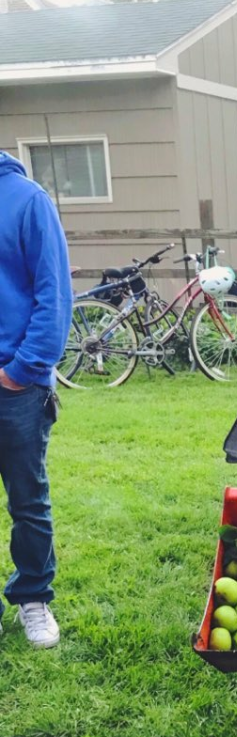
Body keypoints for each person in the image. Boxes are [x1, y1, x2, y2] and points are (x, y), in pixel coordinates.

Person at [0, 151, 73, 649]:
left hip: (15, 387)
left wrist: (19, 372)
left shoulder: (28, 201)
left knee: (27, 502)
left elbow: (55, 295)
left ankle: (33, 598)